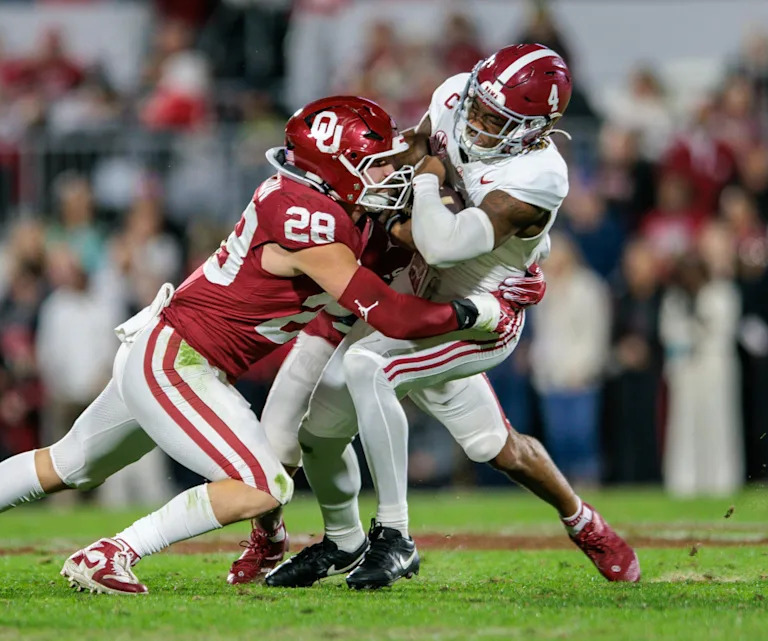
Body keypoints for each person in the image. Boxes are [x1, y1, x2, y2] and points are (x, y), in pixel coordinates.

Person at [0, 95, 523, 595]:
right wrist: (482, 310)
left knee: (68, 463)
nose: (386, 171)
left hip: (172, 351)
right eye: (373, 162)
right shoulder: (309, 217)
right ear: (337, 168)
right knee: (263, 481)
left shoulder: (333, 205)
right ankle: (113, 552)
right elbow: (394, 314)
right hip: (178, 361)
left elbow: (403, 216)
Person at [258, 44, 640, 590]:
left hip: (480, 311)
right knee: (324, 431)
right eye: (479, 107)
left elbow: (444, 244)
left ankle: (403, 535)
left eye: (496, 119)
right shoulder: (457, 93)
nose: (479, 122)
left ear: (538, 128)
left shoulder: (539, 175)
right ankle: (342, 542)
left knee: (383, 374)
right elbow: (415, 148)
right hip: (415, 290)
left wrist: (425, 184)